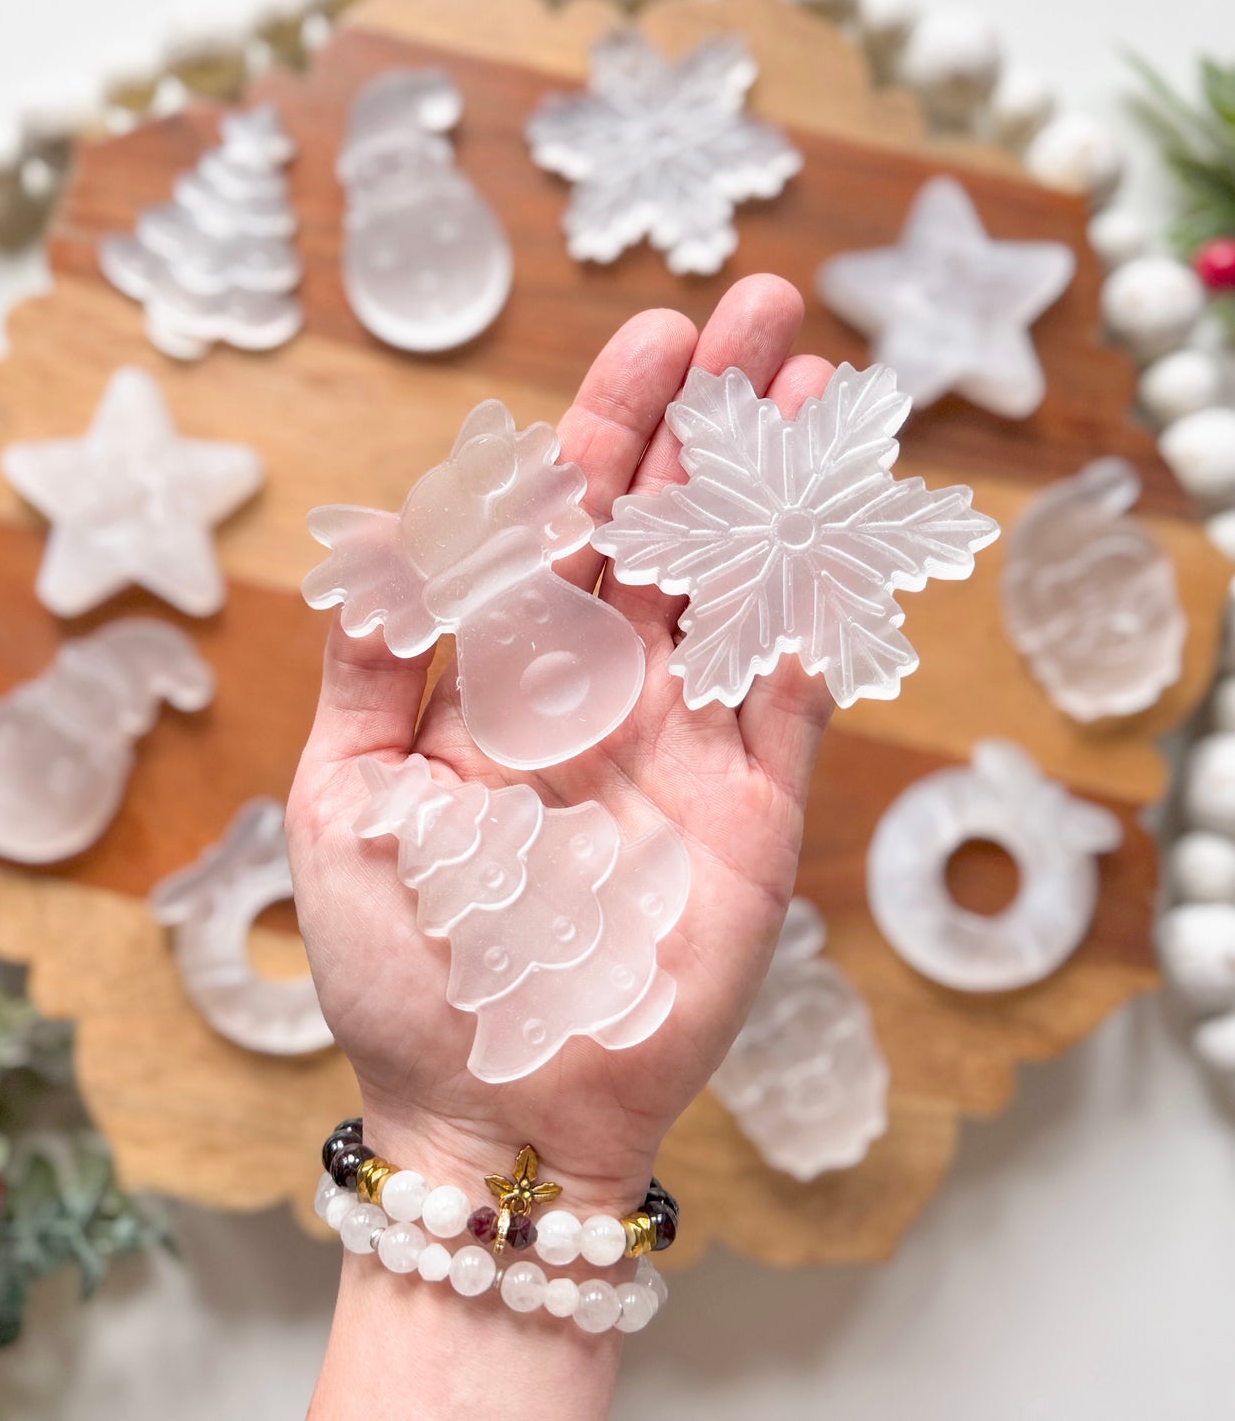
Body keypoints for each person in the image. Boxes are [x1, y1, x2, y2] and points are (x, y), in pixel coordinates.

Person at [289, 275, 840, 1419]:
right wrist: (461, 1141)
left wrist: (470, 1163)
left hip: (565, 866)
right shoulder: (497, 836)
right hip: (527, 907)